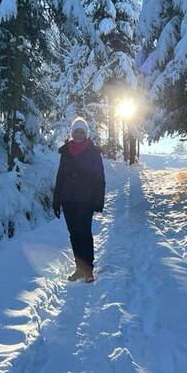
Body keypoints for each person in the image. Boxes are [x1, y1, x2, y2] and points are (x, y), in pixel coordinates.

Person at [52, 117, 105, 283]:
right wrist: (56, 200)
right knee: (74, 234)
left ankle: (88, 269)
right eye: (76, 131)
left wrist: (98, 201)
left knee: (84, 233)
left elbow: (100, 179)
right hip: (68, 199)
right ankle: (79, 268)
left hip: (86, 200)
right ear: (72, 133)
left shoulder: (93, 153)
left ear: (86, 134)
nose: (79, 134)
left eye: (82, 131)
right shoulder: (66, 153)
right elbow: (60, 178)